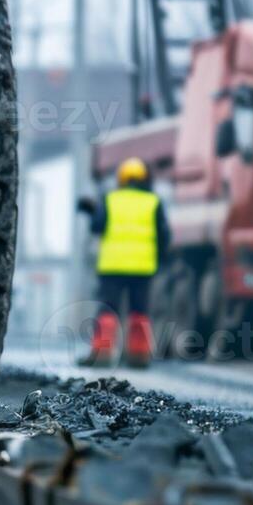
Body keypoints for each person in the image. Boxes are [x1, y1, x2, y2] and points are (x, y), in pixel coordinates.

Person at [77, 157, 172, 368]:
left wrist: (91, 210)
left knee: (108, 310)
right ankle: (139, 357)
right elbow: (164, 234)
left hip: (112, 266)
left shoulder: (110, 199)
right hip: (142, 267)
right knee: (139, 312)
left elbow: (97, 227)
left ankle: (102, 354)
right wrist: (162, 258)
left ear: (121, 179)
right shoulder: (153, 202)